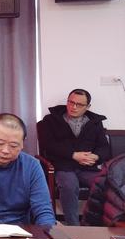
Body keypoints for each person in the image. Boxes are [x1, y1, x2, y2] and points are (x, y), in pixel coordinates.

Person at [37, 89, 110, 225]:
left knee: (106, 183)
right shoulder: (51, 120)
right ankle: (73, 226)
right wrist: (73, 155)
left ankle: (97, 224)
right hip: (63, 167)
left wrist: (95, 156)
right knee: (69, 185)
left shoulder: (95, 122)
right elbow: (48, 145)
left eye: (79, 104)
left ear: (87, 107)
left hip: (87, 168)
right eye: (71, 102)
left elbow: (104, 147)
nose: (73, 107)